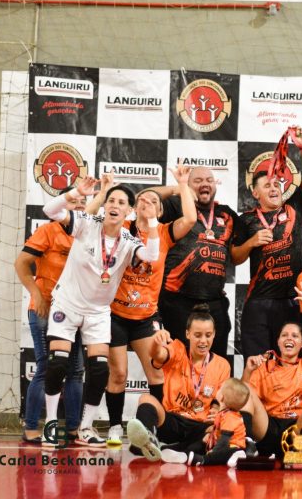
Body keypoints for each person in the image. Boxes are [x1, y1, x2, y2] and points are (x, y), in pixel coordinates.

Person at [41, 178, 160, 447]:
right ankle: (50, 422)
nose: (115, 205)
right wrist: (76, 193)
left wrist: (152, 220)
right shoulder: (86, 223)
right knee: (58, 363)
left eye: (121, 203)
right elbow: (50, 210)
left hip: (97, 312)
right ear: (105, 205)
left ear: (129, 211)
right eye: (111, 201)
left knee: (98, 371)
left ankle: (86, 428)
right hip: (67, 304)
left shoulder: (128, 240)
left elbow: (152, 255)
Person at [86, 167, 197, 446]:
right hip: (115, 315)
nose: (148, 202)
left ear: (160, 211)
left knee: (156, 373)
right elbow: (89, 218)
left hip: (145, 317)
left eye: (154, 201)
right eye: (143, 200)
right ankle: (114, 426)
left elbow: (191, 218)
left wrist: (182, 184)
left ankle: (155, 429)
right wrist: (105, 192)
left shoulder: (165, 233)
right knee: (118, 374)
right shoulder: (122, 228)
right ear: (134, 208)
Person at [232, 126, 302, 358]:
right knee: (258, 364)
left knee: (291, 362)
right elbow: (235, 258)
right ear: (255, 193)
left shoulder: (295, 207)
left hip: (292, 300)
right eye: (266, 186)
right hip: (259, 301)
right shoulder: (246, 219)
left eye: (276, 184)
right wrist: (251, 242)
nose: (273, 188)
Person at [240, 281, 302, 457]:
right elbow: (243, 397)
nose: (289, 339)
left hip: (298, 429)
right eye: (284, 335)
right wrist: (248, 371)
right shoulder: (264, 365)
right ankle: (246, 444)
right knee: (245, 389)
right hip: (269, 428)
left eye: (295, 336)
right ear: (278, 342)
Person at [14, 188, 85, 444]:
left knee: (76, 371)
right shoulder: (48, 230)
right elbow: (21, 264)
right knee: (45, 368)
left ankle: (74, 429)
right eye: (73, 201)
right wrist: (38, 295)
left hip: (77, 311)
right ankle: (32, 427)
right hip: (46, 308)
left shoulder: (89, 233)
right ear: (62, 205)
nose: (79, 205)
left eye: (83, 202)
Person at [155, 166, 245, 358]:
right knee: (178, 360)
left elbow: (239, 252)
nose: (205, 184)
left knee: (217, 361)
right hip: (177, 300)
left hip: (214, 301)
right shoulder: (176, 205)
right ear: (188, 186)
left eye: (209, 180)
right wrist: (176, 188)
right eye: (198, 181)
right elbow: (144, 198)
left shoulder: (227, 214)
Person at [126, 304, 232, 461]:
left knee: (218, 430)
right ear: (188, 334)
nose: (203, 341)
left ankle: (172, 449)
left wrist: (217, 411)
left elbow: (221, 401)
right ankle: (149, 441)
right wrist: (156, 342)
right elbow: (158, 355)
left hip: (200, 425)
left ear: (214, 334)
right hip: (173, 421)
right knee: (146, 399)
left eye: (208, 335)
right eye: (197, 335)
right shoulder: (177, 349)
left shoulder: (222, 364)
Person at [160, 378, 253, 467]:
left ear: (221, 397)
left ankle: (202, 460)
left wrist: (214, 451)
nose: (218, 389)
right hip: (219, 442)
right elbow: (218, 430)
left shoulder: (230, 417)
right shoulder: (224, 413)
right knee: (201, 442)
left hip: (230, 446)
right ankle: (181, 452)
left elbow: (224, 440)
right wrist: (210, 436)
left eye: (220, 388)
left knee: (218, 455)